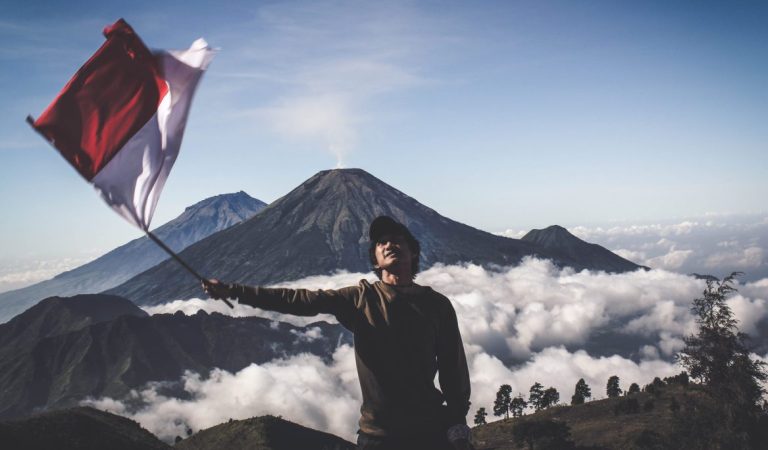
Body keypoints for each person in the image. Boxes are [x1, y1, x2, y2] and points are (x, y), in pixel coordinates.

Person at [203, 215, 473, 450]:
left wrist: (458, 425)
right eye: (381, 243)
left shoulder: (437, 305)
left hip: (429, 431)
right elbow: (299, 300)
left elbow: (453, 367)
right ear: (375, 261)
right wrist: (235, 291)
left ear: (414, 253)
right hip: (379, 436)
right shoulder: (360, 298)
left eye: (397, 239)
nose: (389, 244)